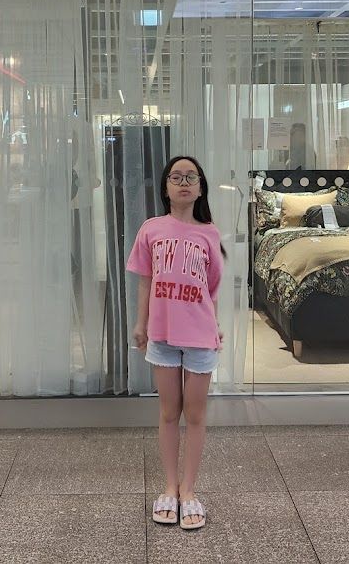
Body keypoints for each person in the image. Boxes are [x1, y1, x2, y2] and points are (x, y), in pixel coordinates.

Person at [128, 155, 225, 531]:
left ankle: (189, 491)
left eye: (191, 177)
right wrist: (141, 324)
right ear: (165, 186)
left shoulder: (210, 233)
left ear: (200, 187)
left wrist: (215, 326)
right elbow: (144, 280)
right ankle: (169, 486)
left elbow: (211, 288)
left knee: (196, 415)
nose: (184, 183)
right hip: (163, 335)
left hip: (200, 336)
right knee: (169, 413)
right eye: (176, 177)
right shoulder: (151, 229)